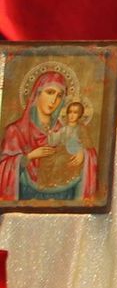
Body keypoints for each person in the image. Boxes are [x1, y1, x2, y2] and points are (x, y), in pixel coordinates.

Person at [0, 67, 98, 200]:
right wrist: (29, 156)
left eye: (59, 96)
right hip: (27, 202)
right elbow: (4, 167)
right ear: (37, 94)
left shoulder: (63, 129)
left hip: (64, 198)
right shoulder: (15, 131)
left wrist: (83, 153)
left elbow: (85, 152)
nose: (54, 101)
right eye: (50, 92)